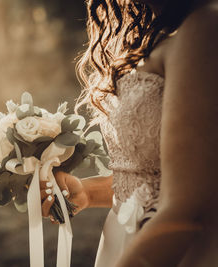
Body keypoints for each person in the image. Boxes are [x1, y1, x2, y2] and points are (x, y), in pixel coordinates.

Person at [40, 0, 218, 266]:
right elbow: (155, 176)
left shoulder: (204, 26)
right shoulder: (149, 34)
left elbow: (187, 205)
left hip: (172, 249)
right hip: (122, 237)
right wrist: (89, 192)